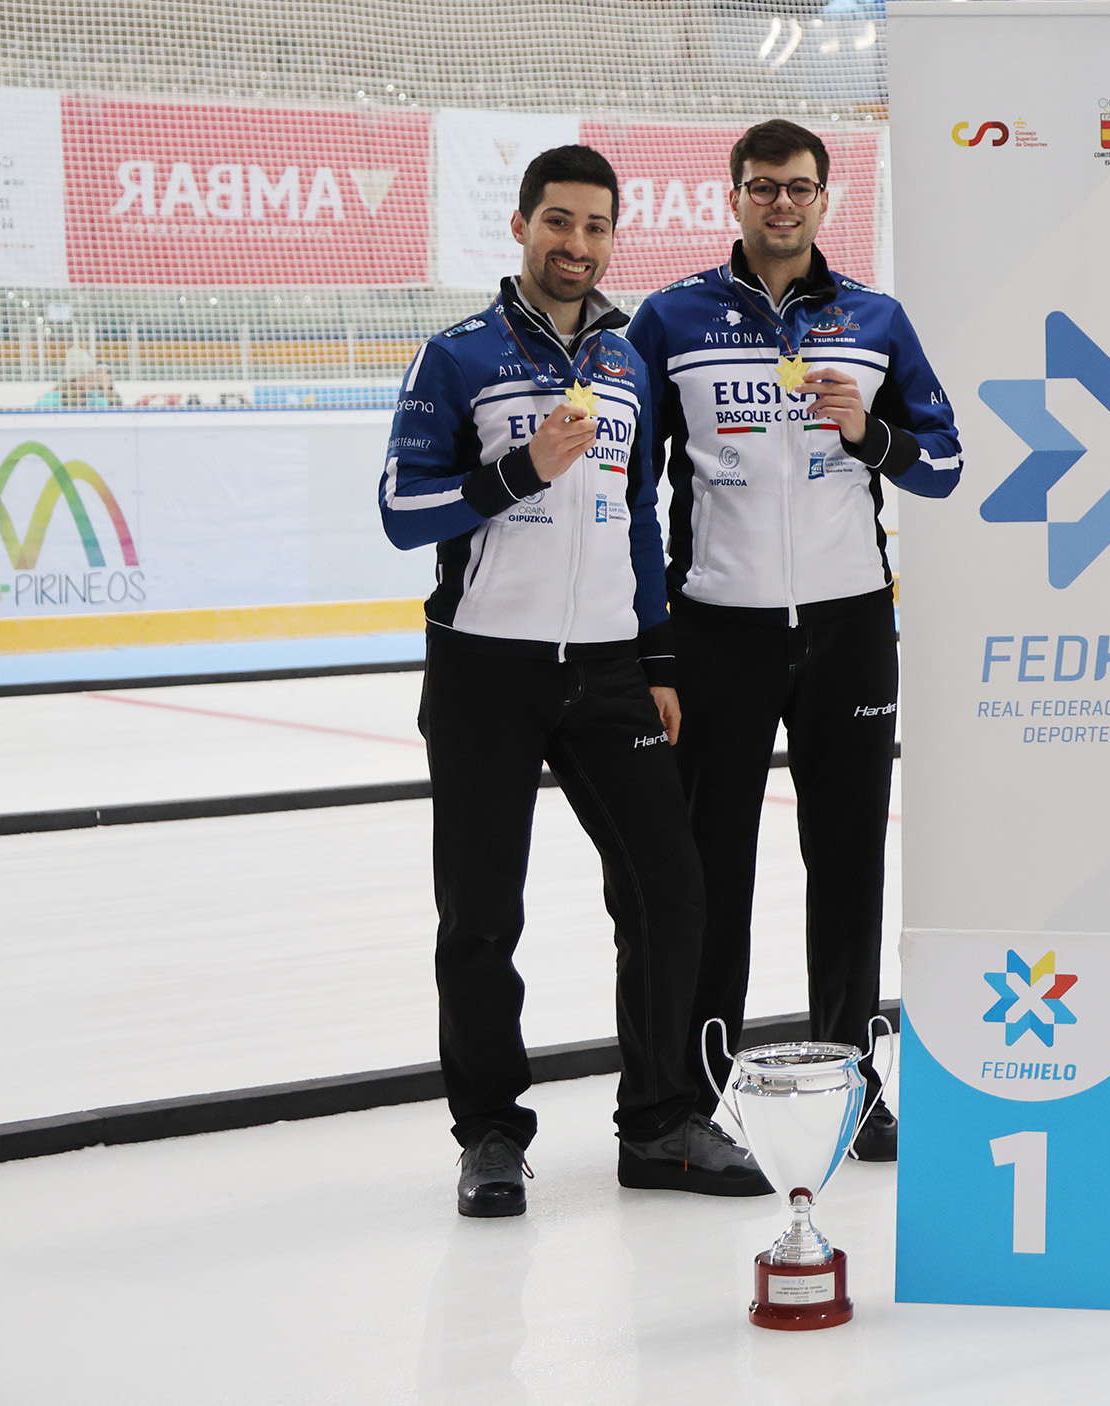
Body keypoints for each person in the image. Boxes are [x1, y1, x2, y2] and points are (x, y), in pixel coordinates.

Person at [380, 144, 769, 1218]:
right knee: (480, 918)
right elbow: (401, 510)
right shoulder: (455, 356)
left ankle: (658, 1120)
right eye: (559, 222)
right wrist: (520, 471)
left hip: (607, 675)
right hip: (483, 673)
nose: (577, 244)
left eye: (596, 226)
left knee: (670, 891)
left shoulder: (626, 361)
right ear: (520, 227)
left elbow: (640, 521)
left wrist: (655, 659)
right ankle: (493, 1135)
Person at [627, 119, 963, 1165]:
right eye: (764, 187)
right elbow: (628, 487)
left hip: (850, 622)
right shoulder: (672, 318)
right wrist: (654, 647)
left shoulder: (876, 318)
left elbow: (943, 462)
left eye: (800, 188)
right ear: (731, 197)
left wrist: (871, 432)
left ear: (827, 200)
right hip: (717, 630)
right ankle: (703, 1095)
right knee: (711, 871)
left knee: (848, 861)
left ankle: (856, 1087)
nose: (783, 204)